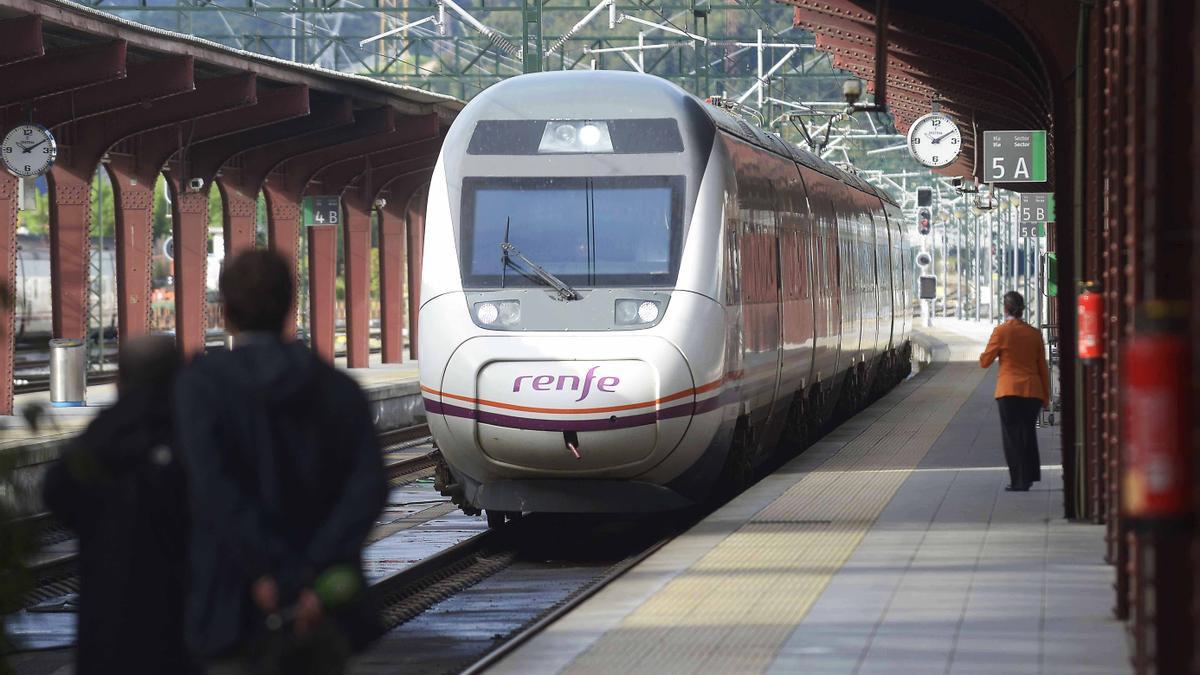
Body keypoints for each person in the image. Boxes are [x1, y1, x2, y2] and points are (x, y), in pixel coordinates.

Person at [175, 250, 387, 674]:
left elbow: (213, 489)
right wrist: (311, 573)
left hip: (231, 601)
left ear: (226, 312)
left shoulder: (200, 388)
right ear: (292, 306)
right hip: (323, 605)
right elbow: (369, 488)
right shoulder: (339, 389)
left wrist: (268, 574)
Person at [41, 335, 196, 675]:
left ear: (119, 379)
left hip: (109, 619)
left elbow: (56, 491)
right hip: (181, 620)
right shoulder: (195, 435)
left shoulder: (102, 433)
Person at [979, 291, 1051, 492]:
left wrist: (985, 355)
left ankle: (1018, 480)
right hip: (1032, 392)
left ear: (1005, 309)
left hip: (1008, 392)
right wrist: (1046, 396)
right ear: (1022, 310)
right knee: (1027, 433)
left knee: (1012, 437)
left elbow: (985, 362)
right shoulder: (1035, 333)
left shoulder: (1001, 331)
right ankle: (1028, 477)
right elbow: (1042, 368)